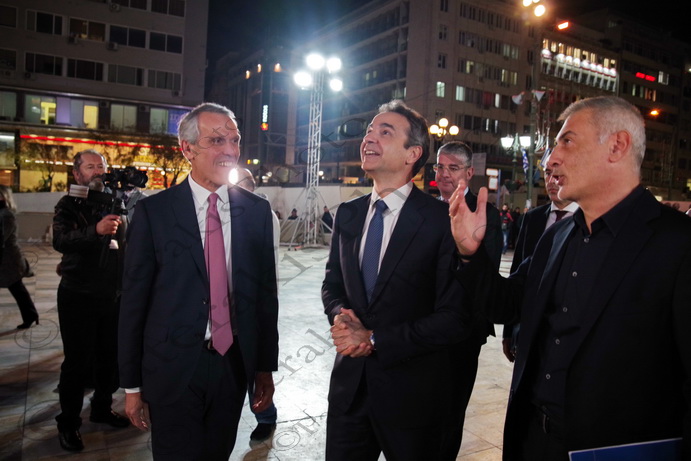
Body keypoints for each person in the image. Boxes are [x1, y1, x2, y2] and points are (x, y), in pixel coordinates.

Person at [449, 96, 691, 459]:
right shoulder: (557, 236)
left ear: (617, 146)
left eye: (567, 141)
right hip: (534, 439)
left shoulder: (677, 243)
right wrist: (470, 254)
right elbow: (508, 303)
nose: (551, 159)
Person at [118, 102, 279, 460]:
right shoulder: (154, 213)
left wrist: (264, 368)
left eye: (234, 140)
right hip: (172, 367)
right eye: (217, 140)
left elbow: (265, 298)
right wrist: (131, 385)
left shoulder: (255, 212)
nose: (230, 150)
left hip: (232, 365)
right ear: (187, 148)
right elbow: (133, 304)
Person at [322, 100, 470, 460]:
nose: (369, 138)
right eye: (369, 131)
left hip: (413, 396)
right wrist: (342, 316)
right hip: (350, 391)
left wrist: (374, 339)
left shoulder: (441, 220)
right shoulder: (348, 214)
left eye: (385, 132)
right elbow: (332, 285)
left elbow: (453, 317)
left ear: (412, 154)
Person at [52, 149, 130, 452]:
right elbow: (60, 240)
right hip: (78, 294)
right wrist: (94, 231)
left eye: (101, 166)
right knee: (77, 362)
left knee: (108, 356)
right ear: (77, 174)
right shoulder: (68, 204)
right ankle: (68, 422)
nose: (97, 171)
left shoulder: (115, 201)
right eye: (90, 166)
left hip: (111, 294)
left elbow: (124, 243)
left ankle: (101, 408)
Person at [433, 141, 502, 459]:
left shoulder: (486, 213)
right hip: (420, 328)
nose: (444, 174)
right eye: (440, 166)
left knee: (450, 410)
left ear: (470, 172)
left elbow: (487, 276)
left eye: (453, 168)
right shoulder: (426, 209)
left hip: (462, 330)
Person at [501, 166, 579, 363]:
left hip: (568, 336)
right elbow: (517, 273)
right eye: (548, 173)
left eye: (558, 174)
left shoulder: (589, 220)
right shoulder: (533, 218)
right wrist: (508, 331)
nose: (551, 181)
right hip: (528, 331)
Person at [231, 167, 279, 442]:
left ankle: (265, 416)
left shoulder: (263, 213)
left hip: (254, 299)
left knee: (255, 361)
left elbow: (266, 263)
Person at [0, 185, 39, 329]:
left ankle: (31, 315)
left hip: (9, 259)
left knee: (17, 289)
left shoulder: (6, 215)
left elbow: (2, 237)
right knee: (18, 289)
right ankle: (31, 315)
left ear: (3, 197)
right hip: (6, 258)